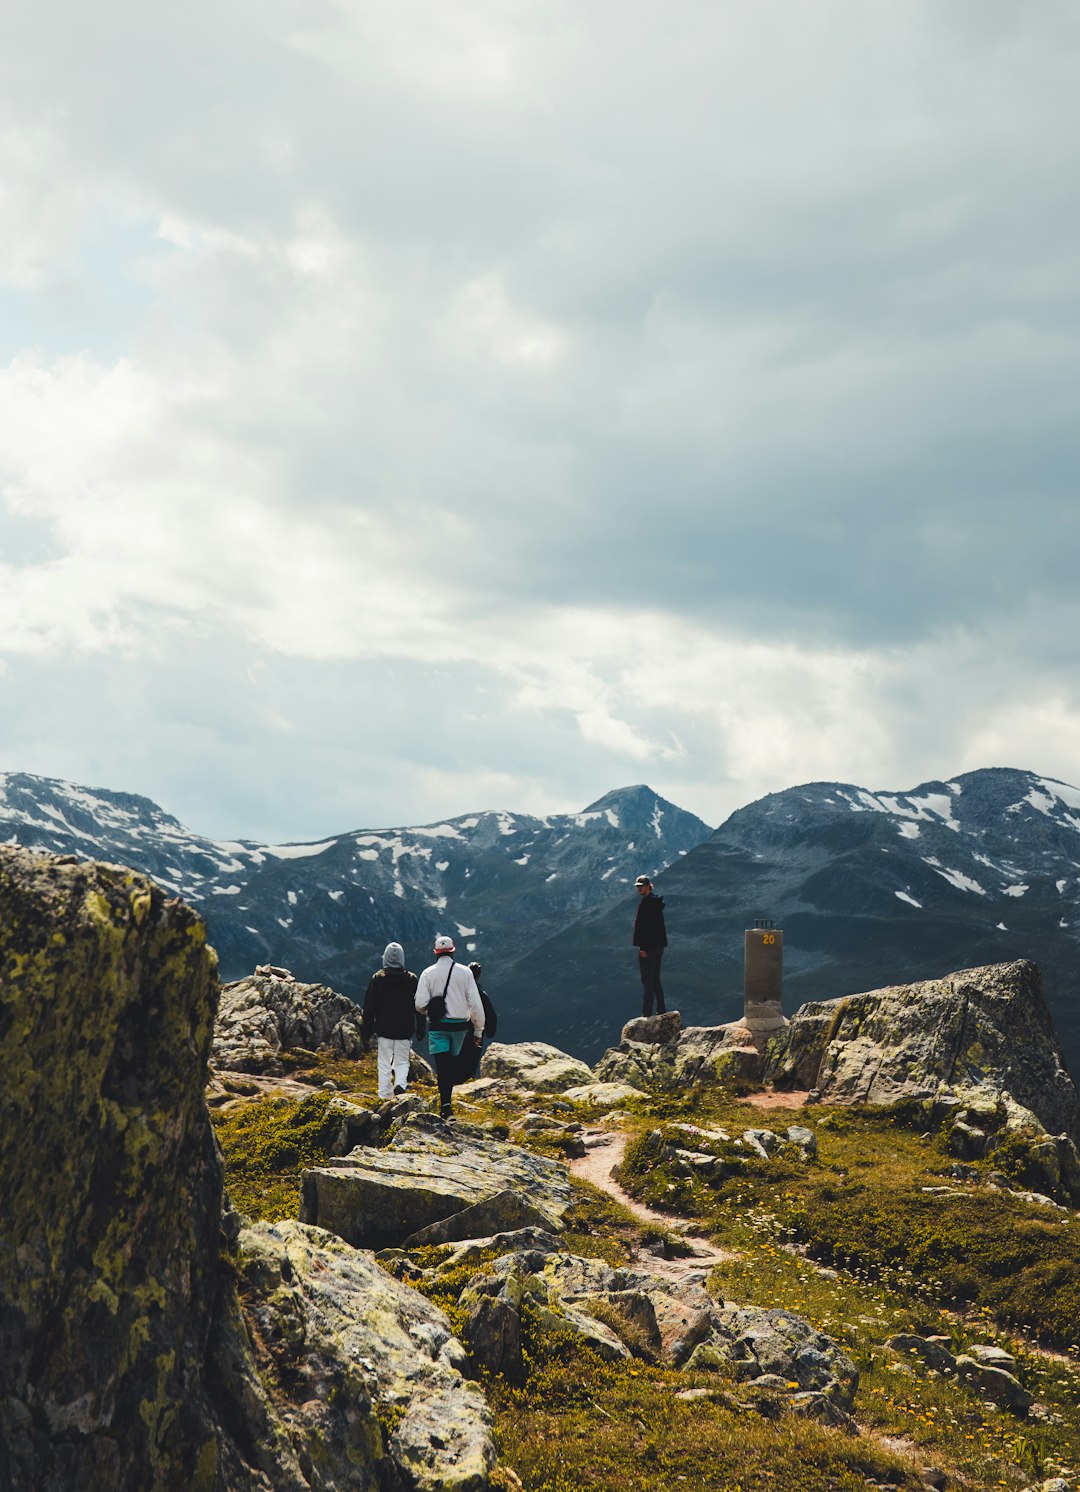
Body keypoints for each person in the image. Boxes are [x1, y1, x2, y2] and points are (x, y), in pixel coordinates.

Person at [415, 935, 485, 1118]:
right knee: (452, 1064)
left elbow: (420, 1004)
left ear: (436, 952)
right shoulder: (465, 972)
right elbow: (475, 1004)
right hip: (460, 1028)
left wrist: (431, 1009)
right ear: (453, 951)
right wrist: (478, 1030)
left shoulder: (427, 973)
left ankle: (446, 1105)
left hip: (438, 1027)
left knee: (442, 1065)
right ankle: (447, 1103)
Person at [362, 942, 419, 1099]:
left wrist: (366, 1029)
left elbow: (370, 1006)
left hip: (384, 1028)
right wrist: (421, 1028)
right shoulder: (412, 979)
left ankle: (384, 1095)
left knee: (384, 1064)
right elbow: (418, 1006)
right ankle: (400, 1085)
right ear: (402, 958)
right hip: (405, 1029)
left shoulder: (378, 979)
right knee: (402, 1061)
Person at [632, 874, 667, 1017]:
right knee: (656, 979)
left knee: (647, 979)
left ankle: (647, 1014)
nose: (639, 889)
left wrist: (643, 947)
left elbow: (646, 927)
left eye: (641, 886)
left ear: (648, 886)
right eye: (638, 887)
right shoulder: (656, 902)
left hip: (649, 948)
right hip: (659, 946)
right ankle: (661, 1010)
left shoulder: (647, 903)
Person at [459, 960, 497, 1081]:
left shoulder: (459, 991)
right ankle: (469, 1080)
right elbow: (491, 1015)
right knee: (472, 1058)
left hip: (458, 1029)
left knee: (459, 1056)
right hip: (476, 1031)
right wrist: (489, 1030)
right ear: (479, 975)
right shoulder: (481, 993)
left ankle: (456, 1080)